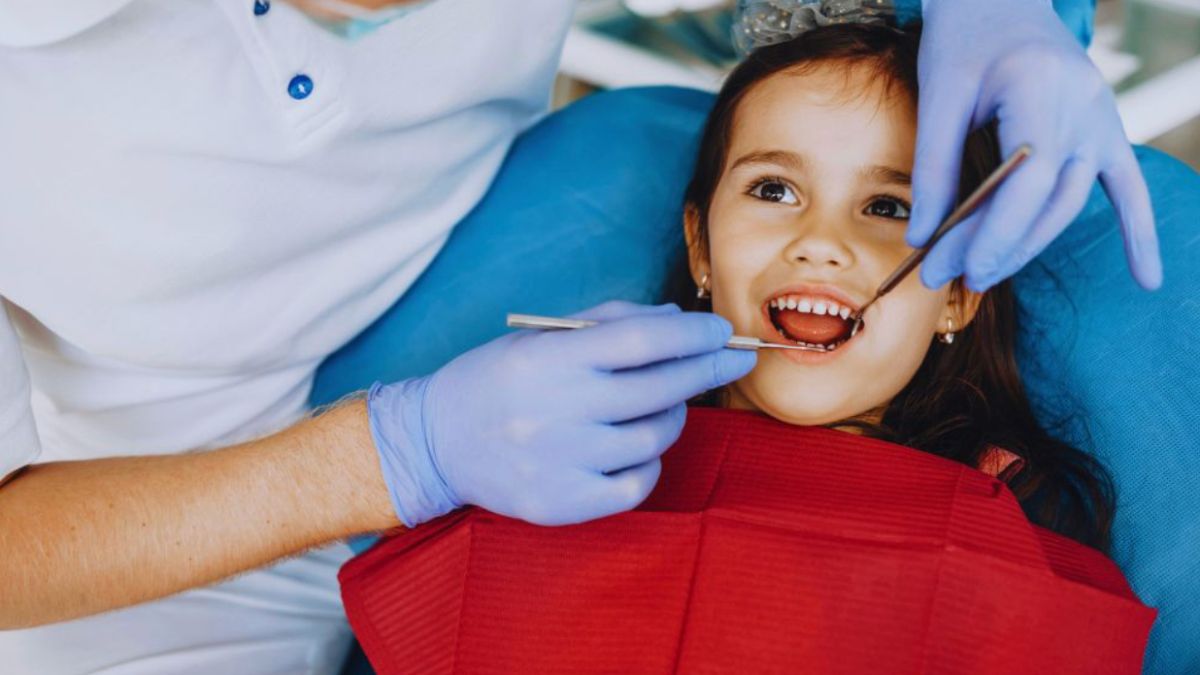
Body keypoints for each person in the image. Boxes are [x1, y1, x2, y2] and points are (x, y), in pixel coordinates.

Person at [0, 1, 1158, 673]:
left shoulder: (1035, 524)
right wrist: (395, 458)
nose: (822, 246)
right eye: (773, 195)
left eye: (891, 208)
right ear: (697, 251)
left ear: (965, 288)